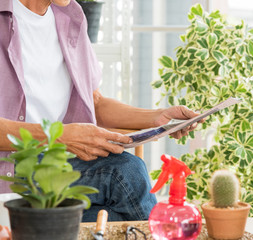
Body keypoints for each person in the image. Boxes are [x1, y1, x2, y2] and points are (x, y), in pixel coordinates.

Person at [0, 0, 202, 221]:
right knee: (124, 172)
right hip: (12, 166)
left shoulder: (70, 18)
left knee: (115, 218)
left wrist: (157, 117)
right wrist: (60, 137)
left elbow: (94, 102)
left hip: (58, 164)